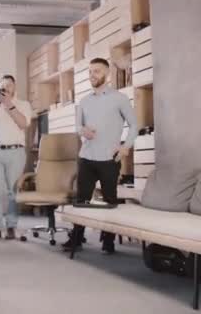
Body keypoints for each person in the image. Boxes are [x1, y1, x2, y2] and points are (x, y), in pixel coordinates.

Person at [62, 57, 137, 254]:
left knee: (110, 199)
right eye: (90, 71)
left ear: (107, 73)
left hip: (109, 158)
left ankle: (108, 241)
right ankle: (77, 238)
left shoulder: (119, 98)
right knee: (82, 199)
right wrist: (82, 131)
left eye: (96, 71)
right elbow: (78, 125)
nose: (92, 75)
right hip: (87, 156)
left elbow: (135, 125)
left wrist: (125, 147)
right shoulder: (84, 101)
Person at [0, 75, 32, 240]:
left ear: (14, 87)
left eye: (8, 85)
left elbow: (23, 124)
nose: (5, 88)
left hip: (15, 151)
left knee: (13, 191)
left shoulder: (23, 104)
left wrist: (9, 105)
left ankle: (11, 226)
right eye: (2, 86)